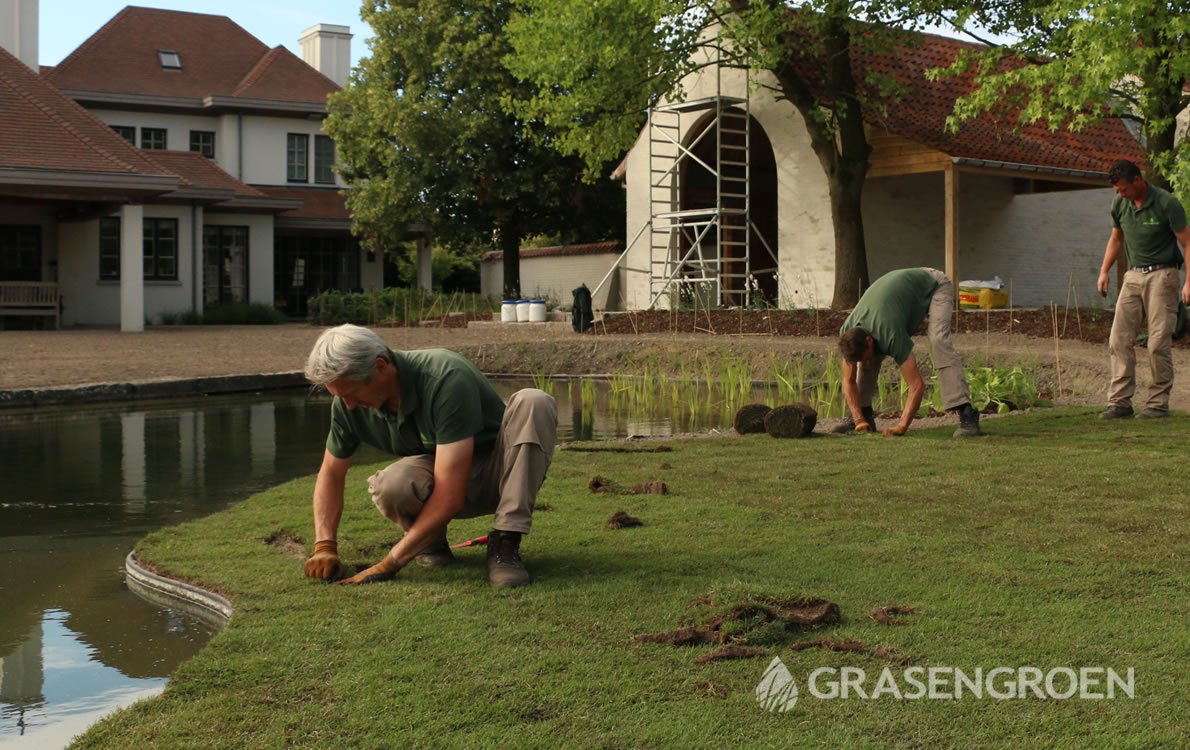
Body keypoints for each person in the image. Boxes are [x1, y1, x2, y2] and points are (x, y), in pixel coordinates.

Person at [302, 324, 558, 588]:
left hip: (502, 474)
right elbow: (331, 474)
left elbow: (450, 494)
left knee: (534, 401)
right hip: (445, 475)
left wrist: (389, 564)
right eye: (340, 396)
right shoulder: (348, 406)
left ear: (381, 366)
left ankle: (505, 542)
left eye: (352, 393)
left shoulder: (444, 376)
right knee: (391, 484)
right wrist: (324, 546)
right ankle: (431, 544)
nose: (349, 405)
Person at [835, 267, 981, 438]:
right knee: (870, 360)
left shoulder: (890, 333)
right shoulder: (848, 334)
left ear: (868, 340)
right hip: (899, 292)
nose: (863, 362)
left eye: (863, 357)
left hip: (934, 284)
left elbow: (917, 385)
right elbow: (849, 380)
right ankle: (863, 416)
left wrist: (901, 427)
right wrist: (858, 418)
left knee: (938, 340)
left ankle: (967, 413)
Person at [1096, 160, 1190, 419]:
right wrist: (1104, 271)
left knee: (1158, 342)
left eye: (1123, 189)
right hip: (1133, 275)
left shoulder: (1166, 203)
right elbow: (1116, 238)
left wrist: (1188, 281)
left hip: (1163, 274)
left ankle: (1157, 404)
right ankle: (1120, 403)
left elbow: (1187, 242)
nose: (1120, 194)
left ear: (1138, 180)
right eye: (1117, 191)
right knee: (1118, 339)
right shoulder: (1120, 204)